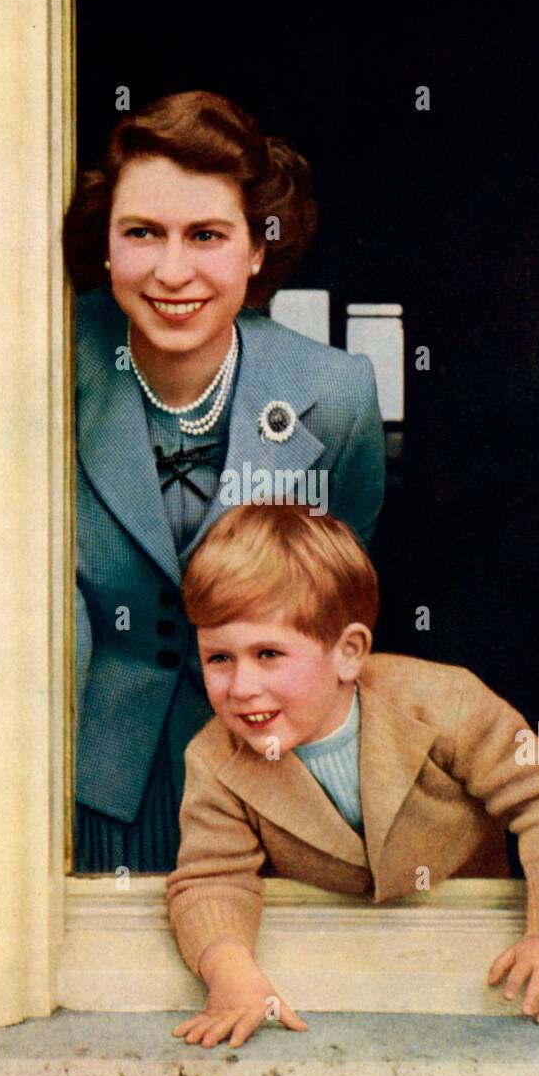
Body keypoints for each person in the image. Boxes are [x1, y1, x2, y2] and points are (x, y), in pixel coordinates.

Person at [63, 91, 386, 874]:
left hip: (273, 786)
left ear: (255, 250)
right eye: (142, 234)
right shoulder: (52, 366)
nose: (173, 272)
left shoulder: (336, 393)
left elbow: (338, 592)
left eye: (206, 236)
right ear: (106, 247)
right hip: (90, 788)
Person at [166, 503, 539, 1048]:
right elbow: (211, 878)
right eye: (218, 658)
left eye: (268, 653)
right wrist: (230, 972)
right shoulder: (213, 758)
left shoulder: (444, 701)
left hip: (473, 945)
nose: (242, 685)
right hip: (343, 961)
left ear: (348, 652)